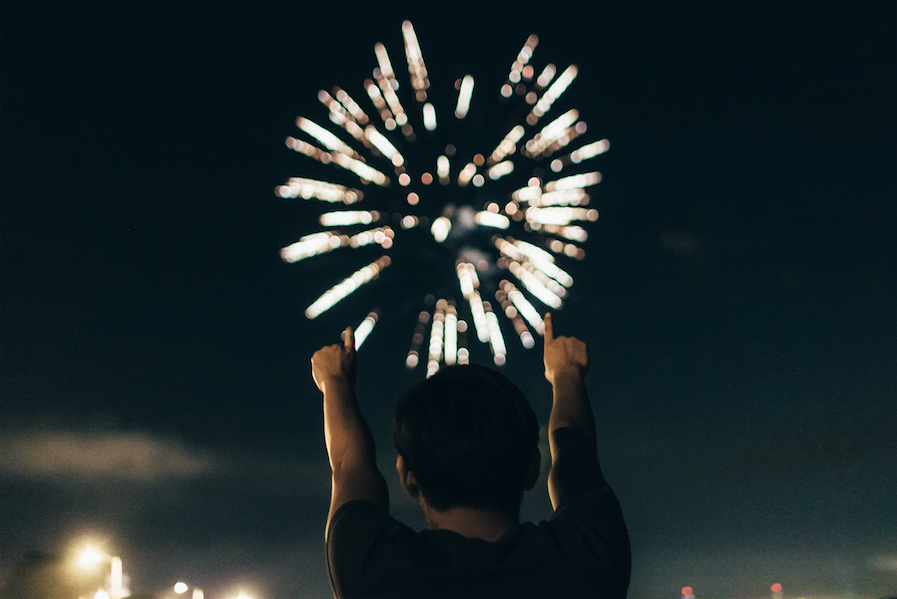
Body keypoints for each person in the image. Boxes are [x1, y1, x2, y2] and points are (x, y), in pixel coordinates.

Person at [311, 312, 630, 598]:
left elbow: (348, 464)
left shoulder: (374, 572)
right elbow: (577, 457)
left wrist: (335, 381)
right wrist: (567, 373)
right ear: (532, 467)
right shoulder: (589, 557)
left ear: (407, 476)